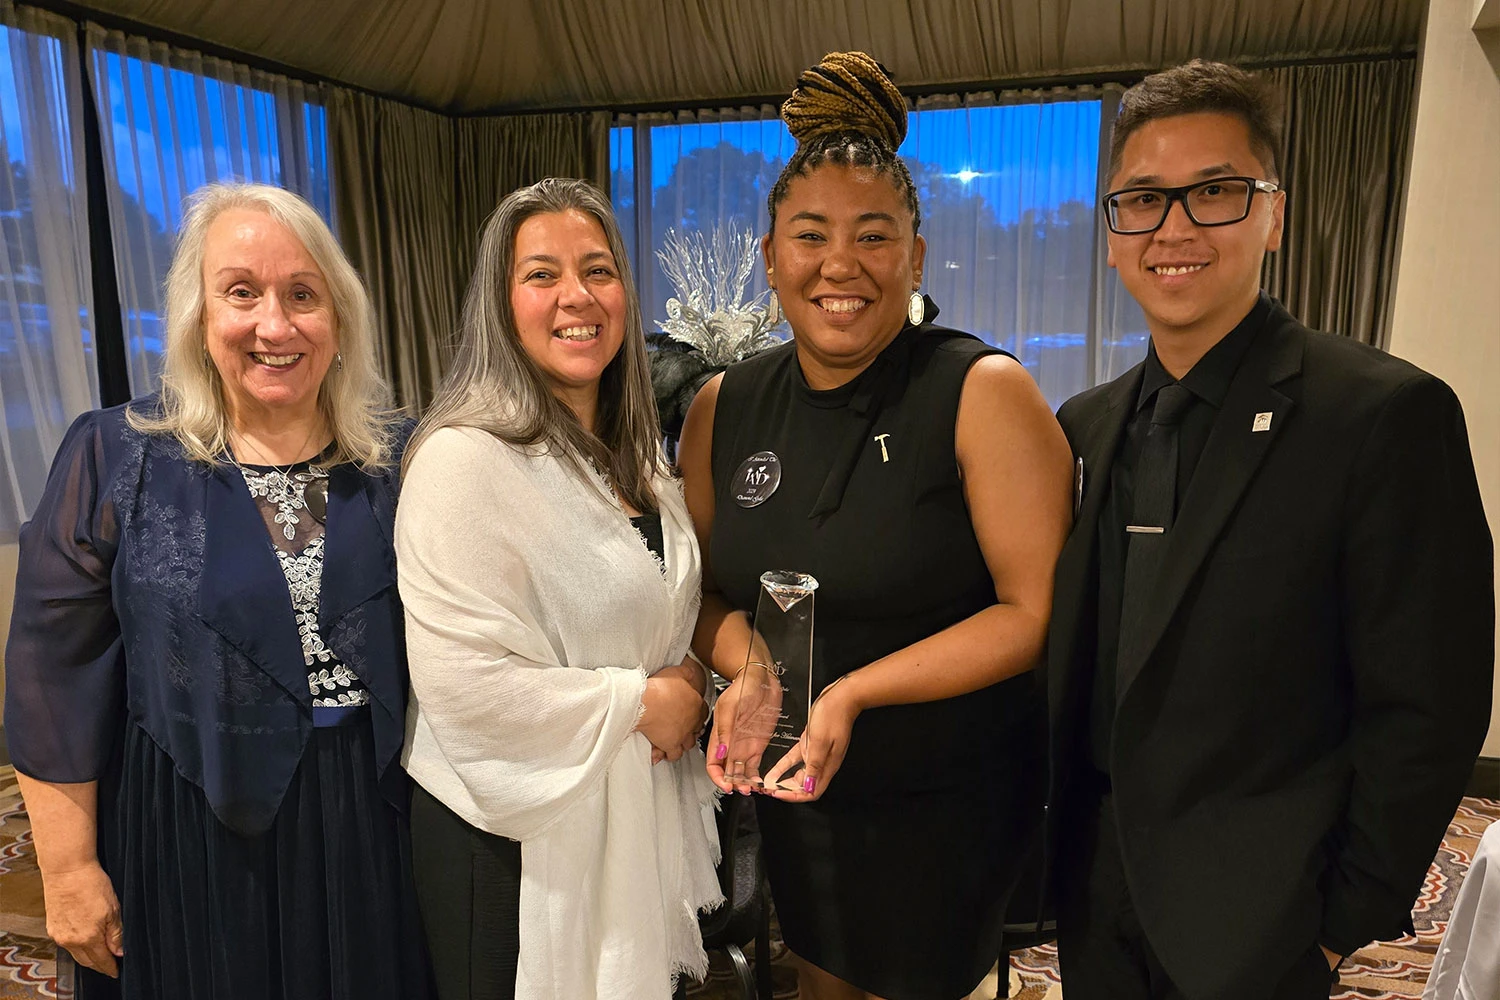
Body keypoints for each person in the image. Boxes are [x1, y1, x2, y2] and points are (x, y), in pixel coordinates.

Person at [1044, 59, 1494, 1000]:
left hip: (1265, 914)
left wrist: (1340, 924)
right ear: (1114, 234)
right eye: (1143, 201)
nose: (1174, 228)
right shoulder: (1082, 425)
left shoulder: (1380, 415)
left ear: (1273, 215)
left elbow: (1430, 701)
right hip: (1094, 895)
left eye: (1214, 193)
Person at [679, 52, 1073, 1000]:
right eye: (810, 236)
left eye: (874, 235)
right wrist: (755, 668)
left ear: (917, 256)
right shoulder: (723, 406)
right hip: (802, 787)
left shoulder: (981, 391)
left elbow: (1034, 614)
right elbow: (701, 593)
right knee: (821, 980)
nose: (840, 265)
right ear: (770, 256)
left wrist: (852, 693)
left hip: (947, 793)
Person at [4, 183, 432, 999]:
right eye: (242, 292)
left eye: (302, 295)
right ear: (200, 318)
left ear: (339, 321)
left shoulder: (403, 459)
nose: (275, 324)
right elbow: (51, 679)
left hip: (376, 825)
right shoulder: (114, 457)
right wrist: (67, 870)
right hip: (187, 831)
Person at [396, 177, 721, 1000]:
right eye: (542, 274)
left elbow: (659, 618)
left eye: (598, 270)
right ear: (500, 305)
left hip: (627, 818)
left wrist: (693, 677)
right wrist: (646, 702)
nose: (576, 295)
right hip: (508, 839)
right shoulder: (462, 461)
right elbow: (466, 690)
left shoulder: (636, 459)